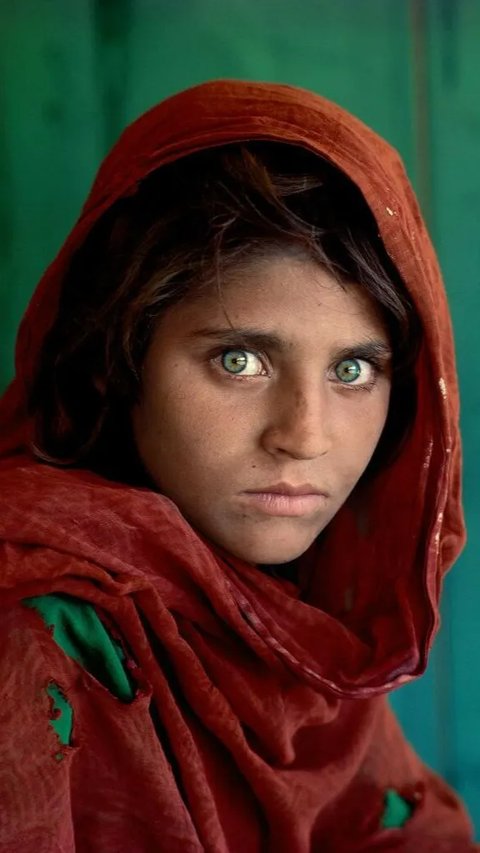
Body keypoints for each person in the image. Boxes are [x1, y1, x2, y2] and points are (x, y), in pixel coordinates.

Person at [0, 79, 476, 852]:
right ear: (114, 361)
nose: (305, 436)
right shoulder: (37, 626)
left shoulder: (296, 636)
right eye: (239, 358)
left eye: (354, 370)